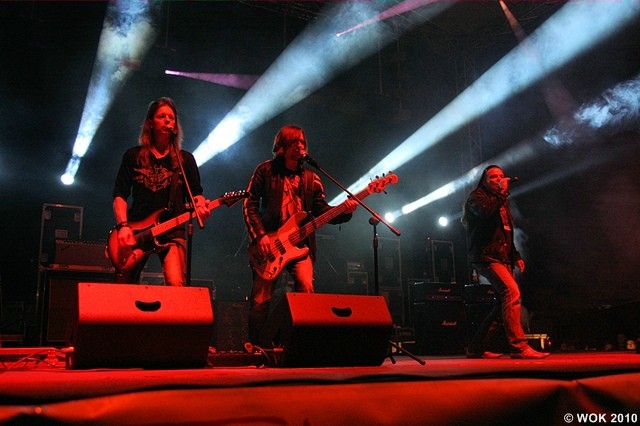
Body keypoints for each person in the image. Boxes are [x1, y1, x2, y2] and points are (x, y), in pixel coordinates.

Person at [243, 125, 358, 344]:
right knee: (260, 299)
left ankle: (300, 345)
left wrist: (345, 211)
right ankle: (257, 348)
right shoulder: (265, 171)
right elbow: (249, 204)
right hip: (270, 245)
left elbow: (322, 211)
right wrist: (260, 235)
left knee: (306, 288)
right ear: (282, 146)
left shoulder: (311, 178)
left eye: (302, 142)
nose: (299, 146)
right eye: (294, 141)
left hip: (301, 244)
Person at [112, 97, 211, 286]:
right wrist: (123, 225)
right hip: (137, 232)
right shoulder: (133, 156)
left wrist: (201, 206)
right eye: (161, 116)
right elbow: (120, 194)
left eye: (171, 118)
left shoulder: (185, 160)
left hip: (172, 231)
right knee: (123, 285)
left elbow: (196, 194)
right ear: (150, 122)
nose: (167, 121)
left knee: (175, 283)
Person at [461, 165, 549, 359]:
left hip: (503, 257)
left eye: (501, 176)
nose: (499, 179)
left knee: (502, 304)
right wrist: (502, 193)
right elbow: (485, 212)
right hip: (486, 257)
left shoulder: (501, 201)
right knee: (511, 292)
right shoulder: (477, 197)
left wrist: (515, 255)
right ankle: (518, 346)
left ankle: (475, 348)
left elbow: (506, 231)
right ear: (484, 180)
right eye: (493, 177)